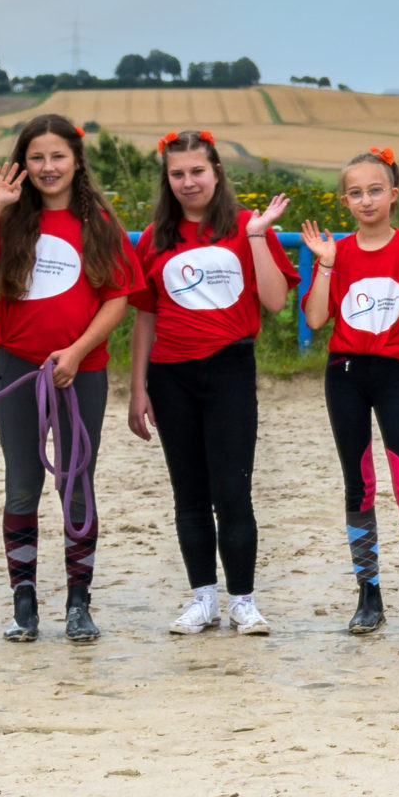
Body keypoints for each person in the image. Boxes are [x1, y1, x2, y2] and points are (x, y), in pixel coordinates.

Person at [0, 114, 139, 644]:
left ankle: (78, 602)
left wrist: (77, 351)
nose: (48, 167)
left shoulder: (100, 224)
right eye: (37, 158)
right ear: (24, 164)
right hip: (19, 370)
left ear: (75, 161)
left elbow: (118, 296)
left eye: (57, 157)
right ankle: (24, 602)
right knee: (23, 482)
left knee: (76, 483)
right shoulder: (11, 221)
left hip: (79, 372)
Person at [125, 131, 293, 637]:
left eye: (197, 171)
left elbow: (275, 301)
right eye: (177, 174)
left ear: (216, 171)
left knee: (232, 491)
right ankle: (203, 599)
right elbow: (145, 319)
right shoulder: (156, 237)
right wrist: (138, 388)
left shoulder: (246, 226)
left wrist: (260, 236)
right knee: (189, 493)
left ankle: (243, 600)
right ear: (167, 179)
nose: (187, 182)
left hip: (229, 368)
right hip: (171, 375)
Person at [299, 149, 399, 637]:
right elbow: (313, 319)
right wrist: (325, 266)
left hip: (394, 376)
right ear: (344, 199)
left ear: (392, 195)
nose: (366, 200)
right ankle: (369, 595)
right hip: (344, 375)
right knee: (360, 484)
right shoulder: (338, 252)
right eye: (355, 192)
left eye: (375, 190)